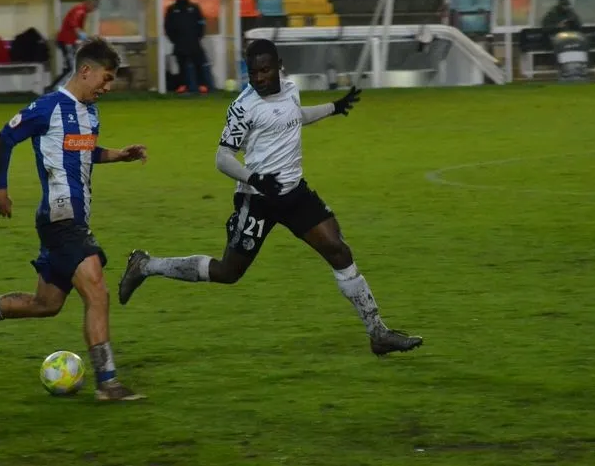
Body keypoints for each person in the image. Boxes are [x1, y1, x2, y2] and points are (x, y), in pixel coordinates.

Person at [117, 39, 422, 357]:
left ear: (279, 66)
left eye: (265, 70)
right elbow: (222, 158)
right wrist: (254, 177)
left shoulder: (290, 89)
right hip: (257, 200)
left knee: (338, 250)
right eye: (253, 72)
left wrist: (334, 107)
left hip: (295, 194)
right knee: (228, 272)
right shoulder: (242, 107)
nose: (259, 78)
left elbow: (294, 116)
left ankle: (378, 333)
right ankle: (146, 265)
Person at [0, 38, 149, 402]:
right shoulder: (49, 107)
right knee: (97, 290)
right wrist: (0, 190)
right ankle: (108, 382)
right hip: (61, 218)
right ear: (85, 70)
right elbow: (3, 139)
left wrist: (119, 155)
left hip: (68, 220)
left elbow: (83, 151)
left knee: (46, 304)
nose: (108, 86)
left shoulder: (90, 113)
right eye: (106, 77)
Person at [165, 0, 212, 94]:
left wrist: (197, 37)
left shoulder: (194, 8)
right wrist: (174, 39)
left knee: (198, 64)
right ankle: (183, 86)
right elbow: (167, 26)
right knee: (181, 65)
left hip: (194, 42)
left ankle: (202, 85)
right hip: (179, 43)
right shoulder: (172, 9)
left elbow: (201, 24)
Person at [46, 0, 97, 92]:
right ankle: (54, 89)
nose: (92, 10)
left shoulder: (79, 9)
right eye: (93, 8)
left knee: (70, 67)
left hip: (68, 41)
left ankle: (56, 87)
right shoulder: (80, 11)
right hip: (67, 41)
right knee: (72, 67)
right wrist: (80, 34)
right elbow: (73, 23)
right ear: (89, 4)